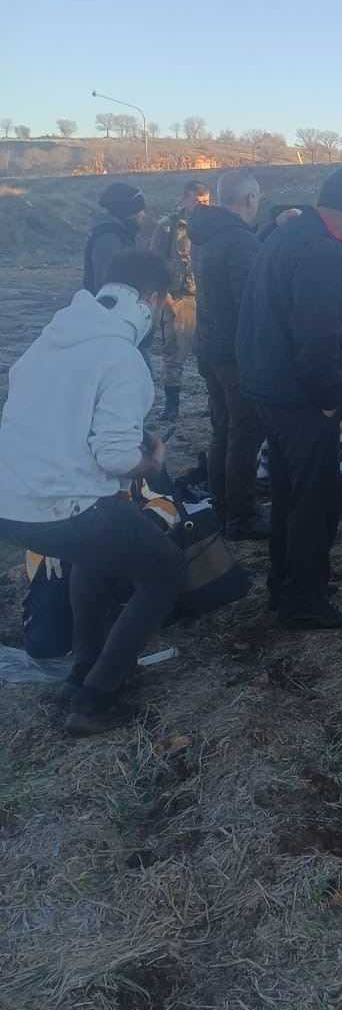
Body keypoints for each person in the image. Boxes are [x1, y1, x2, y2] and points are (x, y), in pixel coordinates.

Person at [0, 249, 182, 736]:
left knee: (97, 552)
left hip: (12, 503)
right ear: (150, 298)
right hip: (63, 504)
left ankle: (82, 667)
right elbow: (116, 458)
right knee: (165, 571)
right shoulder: (121, 357)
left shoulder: (49, 340)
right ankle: (97, 695)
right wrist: (153, 462)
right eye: (163, 301)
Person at [236, 166, 342, 630]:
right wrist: (326, 399)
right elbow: (319, 337)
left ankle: (289, 582)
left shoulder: (287, 235)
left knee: (287, 495)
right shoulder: (319, 249)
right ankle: (304, 600)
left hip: (272, 390)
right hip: (301, 399)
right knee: (315, 501)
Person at [190, 169, 270, 541]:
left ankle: (221, 505)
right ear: (250, 199)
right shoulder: (238, 240)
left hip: (209, 347)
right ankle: (241, 515)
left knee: (222, 429)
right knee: (245, 433)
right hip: (234, 356)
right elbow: (250, 306)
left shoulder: (205, 232)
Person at [150, 178, 209, 421]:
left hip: (207, 297)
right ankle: (172, 406)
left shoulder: (216, 225)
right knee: (174, 355)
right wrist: (164, 299)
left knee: (211, 356)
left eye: (206, 200)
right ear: (185, 199)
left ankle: (214, 403)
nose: (202, 205)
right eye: (197, 200)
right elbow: (154, 265)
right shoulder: (168, 227)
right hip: (179, 298)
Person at [82, 182, 146, 294]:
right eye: (139, 210)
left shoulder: (122, 234)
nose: (143, 215)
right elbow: (105, 287)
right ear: (128, 213)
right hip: (110, 308)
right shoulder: (108, 239)